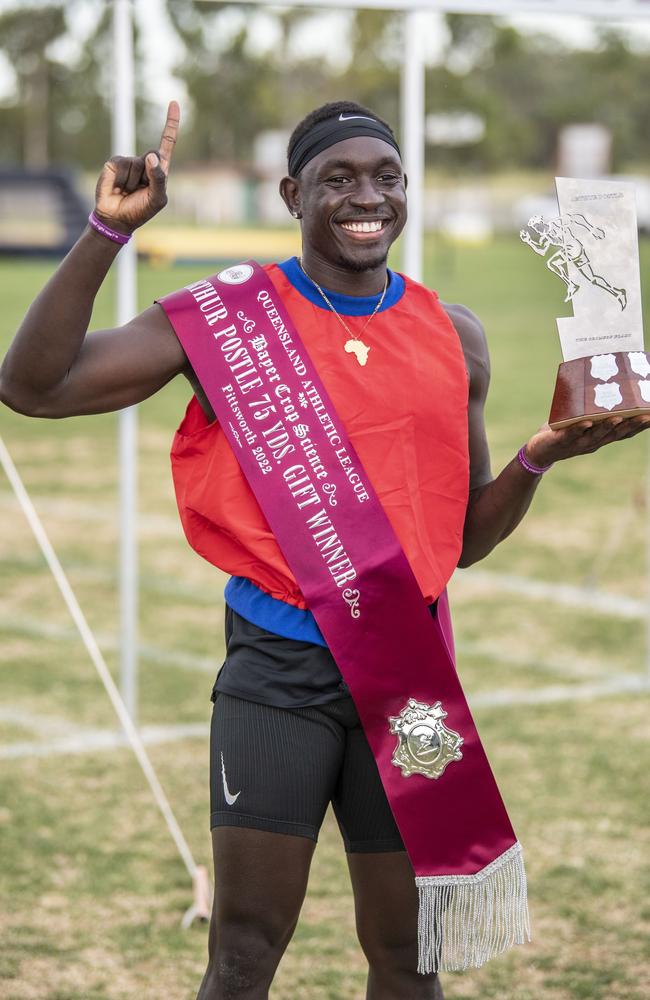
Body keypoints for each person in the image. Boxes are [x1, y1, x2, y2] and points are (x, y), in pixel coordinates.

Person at [1, 99, 648, 1000]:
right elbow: (34, 387)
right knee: (244, 953)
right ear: (292, 193)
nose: (365, 198)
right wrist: (107, 232)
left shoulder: (454, 334)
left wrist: (541, 454)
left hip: (407, 676)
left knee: (408, 957)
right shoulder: (225, 323)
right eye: (338, 179)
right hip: (279, 675)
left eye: (385, 178)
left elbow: (463, 543)